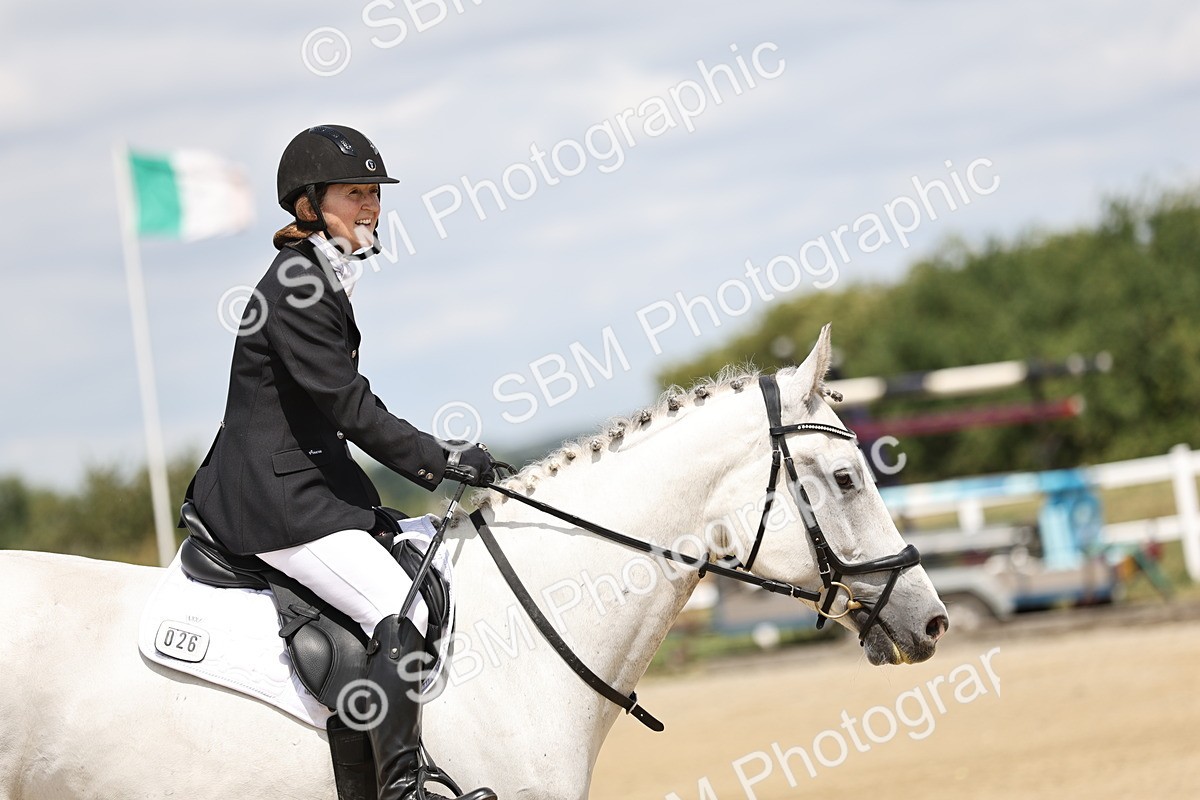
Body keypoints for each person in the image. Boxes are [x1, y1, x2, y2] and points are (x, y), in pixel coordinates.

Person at [186, 124, 498, 800]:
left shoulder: (321, 276)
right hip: (276, 503)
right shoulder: (297, 285)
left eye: (374, 195)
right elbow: (351, 408)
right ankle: (403, 786)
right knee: (399, 609)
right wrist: (444, 458)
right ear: (307, 204)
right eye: (355, 194)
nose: (371, 208)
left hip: (313, 485)